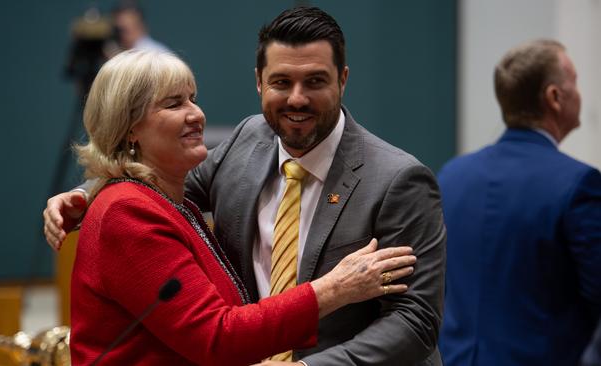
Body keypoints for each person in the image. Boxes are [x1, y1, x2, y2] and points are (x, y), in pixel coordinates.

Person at [45, 7, 446, 365]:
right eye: (281, 81)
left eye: (315, 81)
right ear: (258, 81)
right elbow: (145, 198)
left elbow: (415, 320)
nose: (297, 98)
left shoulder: (398, 179)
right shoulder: (246, 141)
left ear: (342, 80)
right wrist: (88, 194)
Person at [438, 39, 601, 366]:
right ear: (555, 97)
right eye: (576, 83)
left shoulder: (451, 176)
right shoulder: (579, 184)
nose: (581, 94)